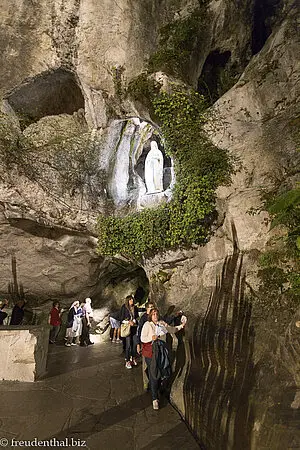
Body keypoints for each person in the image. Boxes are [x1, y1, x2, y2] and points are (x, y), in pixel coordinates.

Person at [141, 308, 185, 410]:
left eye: (156, 314)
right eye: (153, 314)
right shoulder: (147, 325)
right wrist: (151, 338)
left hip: (160, 351)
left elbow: (171, 329)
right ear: (150, 316)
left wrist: (181, 326)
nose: (155, 316)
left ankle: (157, 388)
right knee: (154, 375)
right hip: (150, 352)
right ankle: (154, 399)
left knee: (162, 371)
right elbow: (142, 338)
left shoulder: (161, 323)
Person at [136, 300, 155, 389]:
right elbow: (139, 331)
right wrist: (138, 344)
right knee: (145, 364)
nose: (152, 309)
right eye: (151, 307)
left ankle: (153, 382)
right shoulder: (143, 318)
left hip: (153, 344)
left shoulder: (153, 316)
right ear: (147, 308)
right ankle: (146, 382)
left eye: (153, 307)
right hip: (145, 344)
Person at [120, 295, 139, 369]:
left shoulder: (135, 308)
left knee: (134, 344)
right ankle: (127, 360)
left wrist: (134, 321)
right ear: (127, 301)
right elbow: (121, 318)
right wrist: (128, 322)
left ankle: (133, 358)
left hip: (134, 328)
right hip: (127, 328)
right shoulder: (124, 308)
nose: (132, 301)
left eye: (132, 300)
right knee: (128, 345)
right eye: (130, 300)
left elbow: (137, 317)